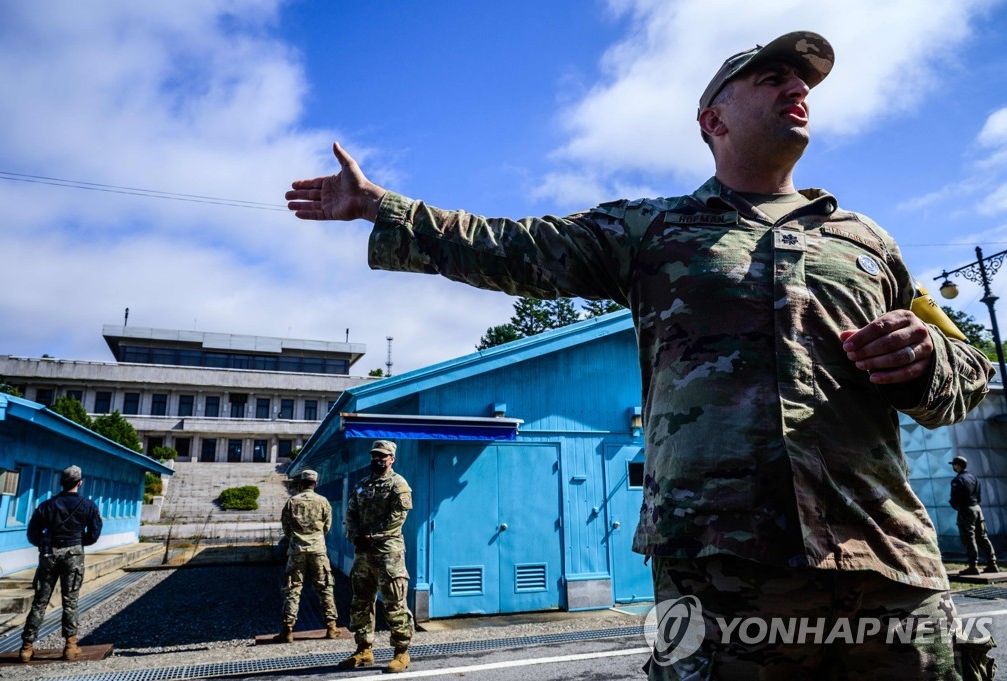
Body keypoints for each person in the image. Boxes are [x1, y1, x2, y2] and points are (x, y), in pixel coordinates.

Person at [285, 31, 994, 678]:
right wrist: (385, 207)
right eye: (771, 77)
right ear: (712, 120)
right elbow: (510, 243)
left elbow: (971, 368)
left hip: (890, 564)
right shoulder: (652, 229)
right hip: (723, 575)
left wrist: (930, 354)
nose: (798, 90)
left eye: (803, 82)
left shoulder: (869, 241)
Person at [338, 440, 414, 673]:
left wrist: (372, 536)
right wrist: (354, 536)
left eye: (382, 456)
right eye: (374, 456)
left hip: (388, 553)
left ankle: (401, 653)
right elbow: (350, 513)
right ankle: (364, 650)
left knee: (394, 603)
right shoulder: (362, 484)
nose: (377, 460)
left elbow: (396, 519)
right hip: (363, 554)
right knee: (361, 602)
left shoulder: (398, 485)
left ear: (392, 459)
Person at [19, 465, 102, 663]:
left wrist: (44, 543)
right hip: (73, 554)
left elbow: (32, 533)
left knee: (40, 601)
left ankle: (26, 647)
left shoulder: (46, 505)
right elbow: (94, 532)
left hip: (49, 555)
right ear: (80, 482)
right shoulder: (88, 505)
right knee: (70, 601)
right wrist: (80, 542)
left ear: (61, 483)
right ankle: (70, 646)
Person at [274, 468, 339, 643]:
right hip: (318, 550)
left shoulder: (292, 501)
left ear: (301, 483)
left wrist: (296, 539)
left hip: (297, 551)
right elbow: (327, 526)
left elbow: (286, 527)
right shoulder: (323, 501)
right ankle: (331, 627)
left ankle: (287, 629)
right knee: (325, 587)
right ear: (315, 484)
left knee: (292, 589)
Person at [950, 455, 999, 576]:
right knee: (982, 536)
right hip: (977, 508)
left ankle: (973, 565)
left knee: (968, 537)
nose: (953, 467)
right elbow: (979, 495)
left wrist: (956, 506)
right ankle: (992, 563)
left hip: (966, 510)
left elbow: (955, 498)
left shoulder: (957, 480)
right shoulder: (974, 478)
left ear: (957, 465)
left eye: (954, 465)